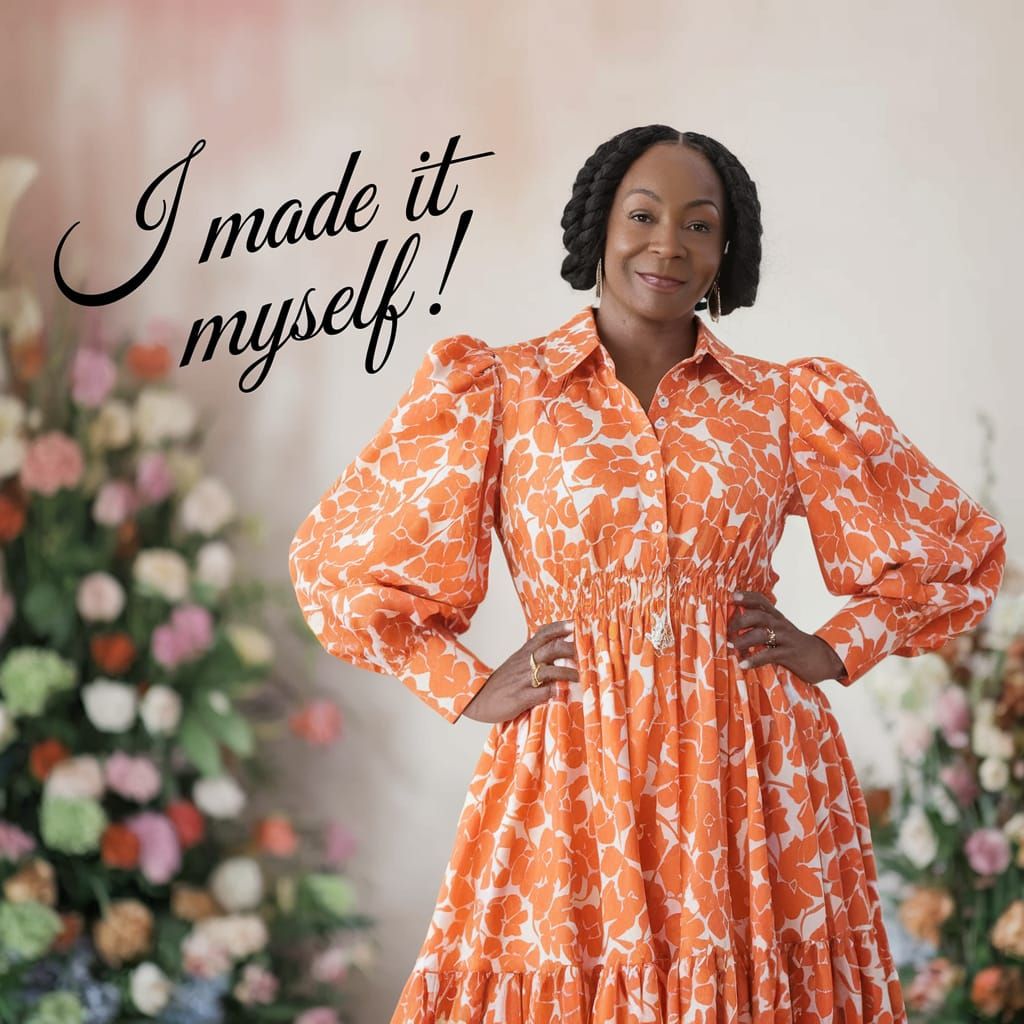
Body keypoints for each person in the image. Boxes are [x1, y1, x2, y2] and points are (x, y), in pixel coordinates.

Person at [288, 125, 1007, 1023]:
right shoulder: (502, 392)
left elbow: (954, 551)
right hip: (573, 764)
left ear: (724, 254)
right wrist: (466, 685)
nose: (668, 244)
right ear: (598, 228)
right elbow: (340, 564)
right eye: (643, 215)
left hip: (755, 770)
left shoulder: (785, 402)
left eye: (699, 226)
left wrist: (833, 648)